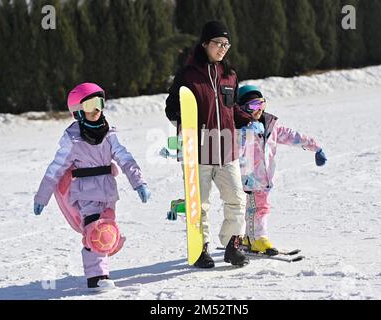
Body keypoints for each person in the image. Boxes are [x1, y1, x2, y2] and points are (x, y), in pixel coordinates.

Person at [33, 83, 151, 290]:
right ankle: (97, 277)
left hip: (108, 192)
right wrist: (41, 197)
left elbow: (125, 159)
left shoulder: (109, 134)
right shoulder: (73, 139)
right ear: (78, 111)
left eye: (99, 103)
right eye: (90, 104)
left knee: (106, 233)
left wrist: (138, 182)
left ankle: (106, 252)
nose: (96, 109)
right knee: (95, 232)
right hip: (85, 192)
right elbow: (56, 169)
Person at [165, 21, 253, 268]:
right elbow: (171, 107)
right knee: (199, 204)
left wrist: (247, 117)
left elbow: (230, 108)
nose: (223, 48)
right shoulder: (187, 75)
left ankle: (232, 246)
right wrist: (182, 124)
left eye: (226, 44)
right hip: (198, 152)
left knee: (237, 198)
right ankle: (200, 247)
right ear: (205, 44)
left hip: (226, 149)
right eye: (218, 43)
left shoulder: (230, 75)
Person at [237, 85, 327, 255]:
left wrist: (315, 147)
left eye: (261, 104)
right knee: (258, 208)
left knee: (255, 208)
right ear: (241, 108)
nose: (258, 110)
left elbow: (293, 136)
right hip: (249, 178)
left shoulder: (271, 125)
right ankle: (259, 238)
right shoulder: (240, 128)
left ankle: (250, 238)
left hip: (265, 177)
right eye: (252, 106)